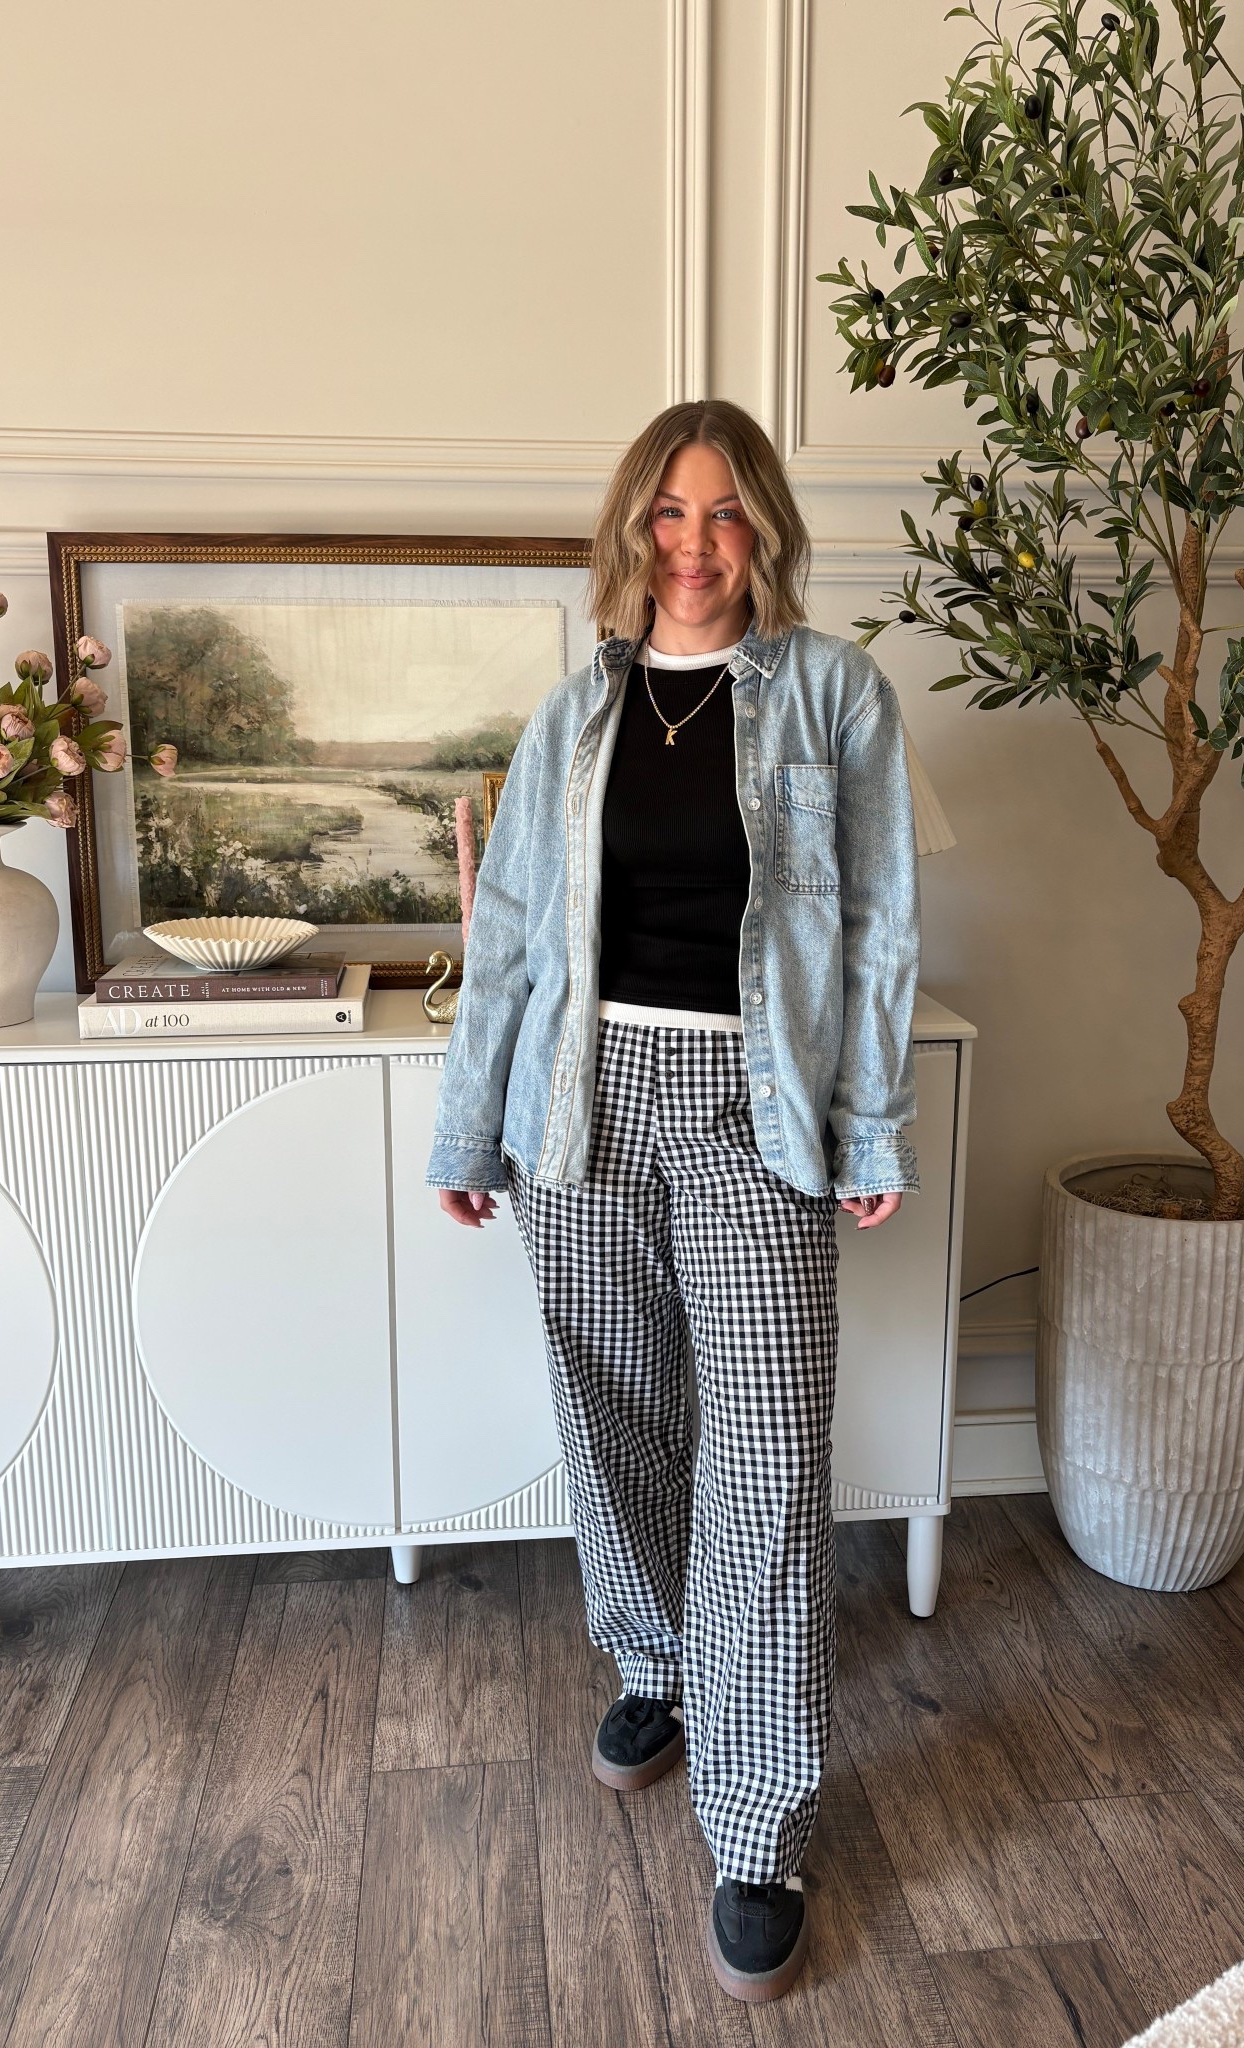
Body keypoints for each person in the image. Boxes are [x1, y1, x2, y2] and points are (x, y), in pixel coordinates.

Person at [425, 396, 921, 2004]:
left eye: (722, 515)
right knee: (617, 1410)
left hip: (754, 1111)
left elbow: (878, 929)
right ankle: (655, 1665)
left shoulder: (834, 697)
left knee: (768, 1456)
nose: (694, 545)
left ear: (759, 530)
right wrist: (466, 1132)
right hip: (586, 1104)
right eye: (667, 513)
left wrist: (867, 1128)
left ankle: (759, 1818)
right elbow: (507, 935)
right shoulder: (576, 716)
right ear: (630, 527)